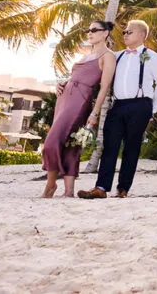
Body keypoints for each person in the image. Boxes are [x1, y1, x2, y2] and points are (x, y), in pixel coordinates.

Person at [78, 20, 157, 199]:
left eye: (129, 32)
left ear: (142, 35)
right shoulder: (116, 56)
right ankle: (101, 187)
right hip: (117, 105)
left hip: (140, 105)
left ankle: (123, 189)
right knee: (109, 145)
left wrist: (152, 109)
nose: (125, 34)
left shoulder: (153, 56)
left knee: (131, 148)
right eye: (124, 32)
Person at [42, 20, 117, 198]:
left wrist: (94, 113)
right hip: (64, 99)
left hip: (80, 101)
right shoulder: (86, 55)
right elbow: (75, 76)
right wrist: (61, 84)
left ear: (105, 33)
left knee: (51, 143)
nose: (89, 33)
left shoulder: (108, 56)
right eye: (88, 30)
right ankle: (68, 191)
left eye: (94, 30)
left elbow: (104, 87)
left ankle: (50, 185)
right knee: (70, 145)